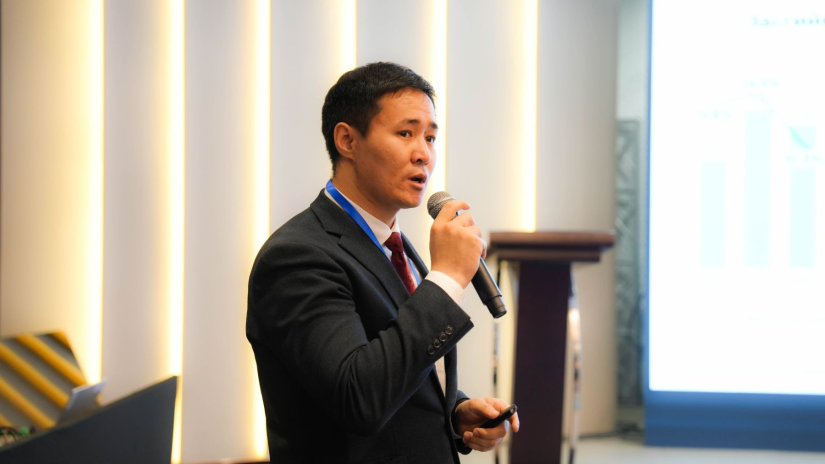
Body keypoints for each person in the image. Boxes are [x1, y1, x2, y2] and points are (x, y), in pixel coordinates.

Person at [247, 62, 519, 464]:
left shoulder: (391, 243)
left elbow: (396, 364)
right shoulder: (297, 257)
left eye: (430, 137)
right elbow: (358, 396)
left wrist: (454, 412)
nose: (423, 154)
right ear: (347, 140)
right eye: (405, 133)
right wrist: (446, 277)